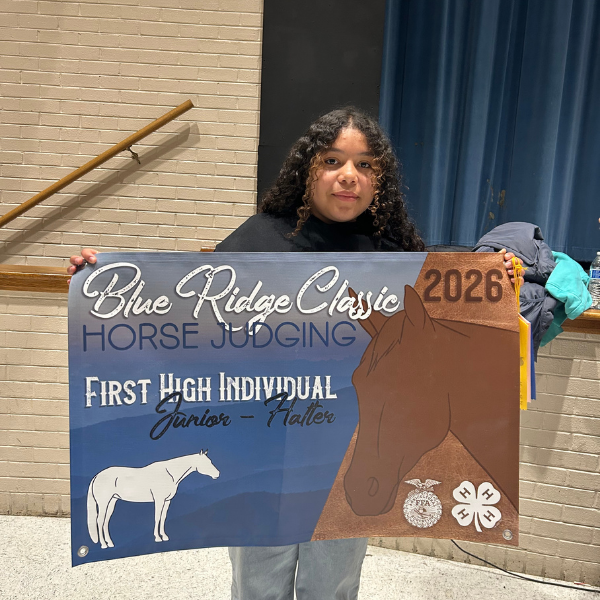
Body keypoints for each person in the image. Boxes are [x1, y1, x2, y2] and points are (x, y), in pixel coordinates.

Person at [68, 107, 522, 600]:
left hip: (345, 457)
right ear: (308, 170)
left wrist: (498, 283)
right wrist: (100, 284)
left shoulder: (395, 258)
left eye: (366, 165)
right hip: (260, 457)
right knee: (258, 585)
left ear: (379, 180)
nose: (349, 176)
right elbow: (181, 318)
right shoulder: (256, 241)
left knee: (334, 586)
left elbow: (444, 337)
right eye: (333, 160)